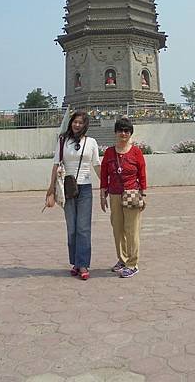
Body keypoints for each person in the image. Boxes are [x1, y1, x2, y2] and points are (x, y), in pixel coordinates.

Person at [45, 111, 100, 280]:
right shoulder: (63, 141)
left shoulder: (91, 142)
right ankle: (75, 262)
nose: (77, 125)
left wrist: (106, 184)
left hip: (85, 188)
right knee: (72, 229)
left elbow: (96, 164)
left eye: (80, 123)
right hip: (67, 188)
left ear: (85, 125)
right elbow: (56, 165)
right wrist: (51, 189)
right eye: (75, 122)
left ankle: (83, 264)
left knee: (83, 228)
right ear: (71, 123)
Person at [100, 117, 147, 278]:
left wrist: (143, 193)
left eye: (126, 131)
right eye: (120, 130)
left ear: (130, 133)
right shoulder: (109, 152)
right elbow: (104, 173)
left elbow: (142, 172)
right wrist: (102, 192)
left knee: (132, 230)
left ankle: (132, 263)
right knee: (118, 228)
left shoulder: (136, 152)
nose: (123, 133)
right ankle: (122, 259)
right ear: (115, 132)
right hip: (114, 193)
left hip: (132, 193)